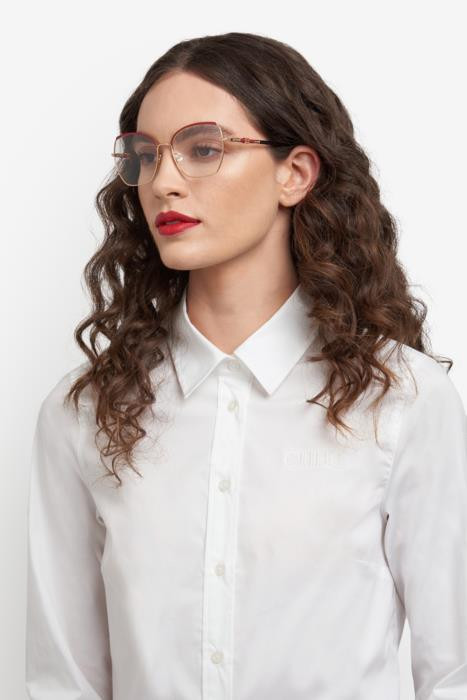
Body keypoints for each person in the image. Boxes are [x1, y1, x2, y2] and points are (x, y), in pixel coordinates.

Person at [25, 31, 467, 700]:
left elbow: (453, 675)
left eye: (203, 149)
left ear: (295, 173)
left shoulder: (402, 400)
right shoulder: (84, 413)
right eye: (145, 156)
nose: (163, 182)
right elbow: (63, 684)